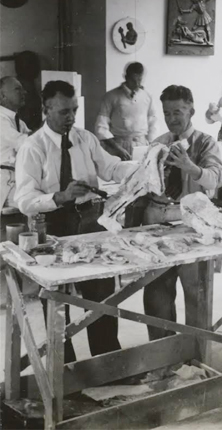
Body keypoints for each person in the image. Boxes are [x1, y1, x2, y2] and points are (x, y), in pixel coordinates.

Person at [15, 80, 137, 362]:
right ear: (46, 110)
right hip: (53, 224)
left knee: (102, 295)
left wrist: (140, 167)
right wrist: (59, 196)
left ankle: (106, 361)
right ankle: (64, 369)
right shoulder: (33, 147)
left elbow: (111, 168)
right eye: (63, 112)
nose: (70, 117)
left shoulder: (85, 139)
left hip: (90, 221)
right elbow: (24, 199)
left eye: (74, 110)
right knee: (56, 299)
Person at [139, 85, 222, 340]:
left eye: (178, 112)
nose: (172, 118)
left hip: (191, 223)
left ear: (192, 111)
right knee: (156, 294)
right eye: (167, 113)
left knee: (196, 291)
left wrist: (190, 167)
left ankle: (195, 354)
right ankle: (162, 354)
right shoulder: (158, 143)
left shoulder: (206, 143)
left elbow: (215, 180)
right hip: (156, 220)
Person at [95, 62, 158, 161]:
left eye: (139, 80)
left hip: (141, 145)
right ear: (126, 77)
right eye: (133, 80)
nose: (137, 84)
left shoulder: (147, 97)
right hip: (118, 145)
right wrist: (117, 149)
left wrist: (150, 146)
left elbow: (153, 123)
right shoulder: (111, 96)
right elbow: (101, 127)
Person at [0, 76, 30, 208]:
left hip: (15, 180)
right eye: (18, 89)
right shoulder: (1, 121)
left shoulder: (19, 122)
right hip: (3, 183)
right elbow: (24, 142)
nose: (24, 92)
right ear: (2, 95)